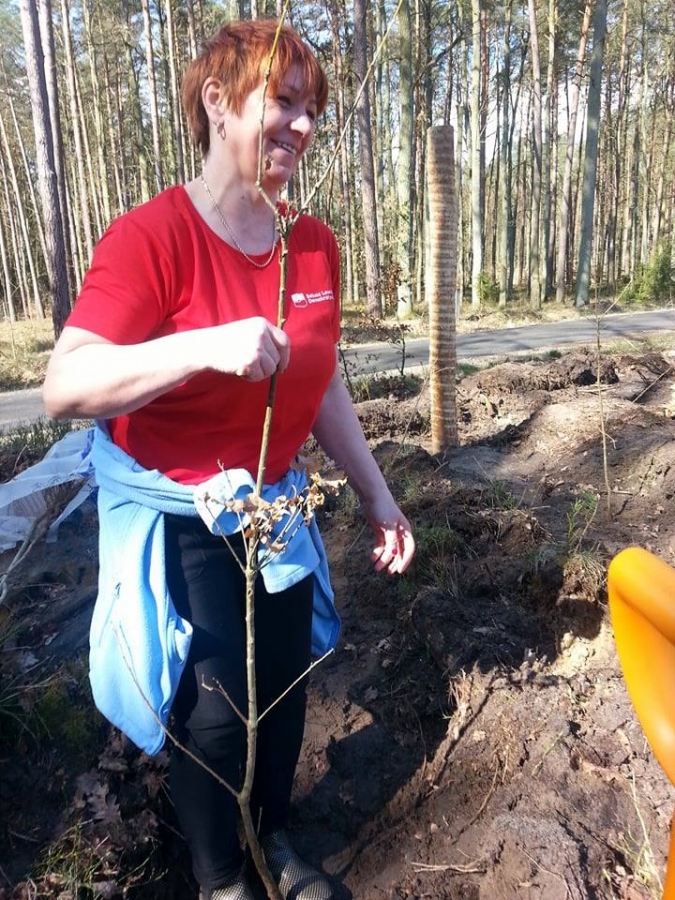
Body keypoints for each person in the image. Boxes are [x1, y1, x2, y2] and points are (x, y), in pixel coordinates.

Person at [42, 18, 415, 900]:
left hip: (275, 504)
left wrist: (377, 495)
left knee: (282, 685)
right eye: (283, 101)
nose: (303, 125)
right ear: (217, 101)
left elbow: (319, 377)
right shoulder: (151, 238)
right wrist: (204, 347)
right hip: (180, 509)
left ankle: (273, 840)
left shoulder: (309, 243)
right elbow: (66, 384)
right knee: (213, 711)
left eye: (312, 109)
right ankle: (219, 879)